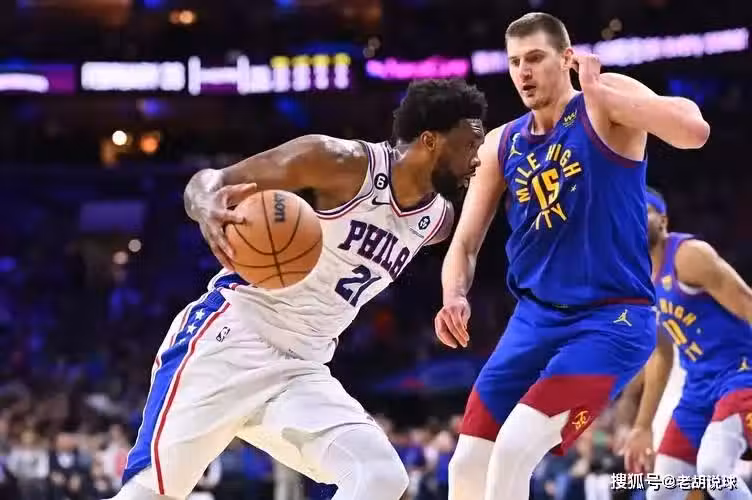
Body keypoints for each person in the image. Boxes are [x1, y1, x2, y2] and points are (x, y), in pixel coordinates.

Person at [112, 78, 487, 500]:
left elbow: (466, 249)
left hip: (302, 367)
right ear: (430, 140)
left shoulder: (437, 221)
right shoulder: (337, 162)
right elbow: (209, 181)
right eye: (470, 145)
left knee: (380, 476)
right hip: (231, 341)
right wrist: (206, 206)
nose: (477, 159)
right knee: (149, 495)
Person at [433, 12, 710, 500]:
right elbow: (465, 244)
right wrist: (454, 294)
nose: (523, 72)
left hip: (612, 319)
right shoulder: (502, 143)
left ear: (566, 59)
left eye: (535, 58)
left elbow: (693, 130)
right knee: (468, 462)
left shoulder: (604, 101)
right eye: (514, 62)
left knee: (515, 448)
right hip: (534, 319)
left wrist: (602, 92)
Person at [619, 187, 752, 499]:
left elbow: (747, 304)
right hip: (698, 388)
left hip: (741, 374)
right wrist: (642, 425)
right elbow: (662, 355)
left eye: (642, 211)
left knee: (713, 470)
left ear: (663, 221)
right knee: (661, 491)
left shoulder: (688, 256)